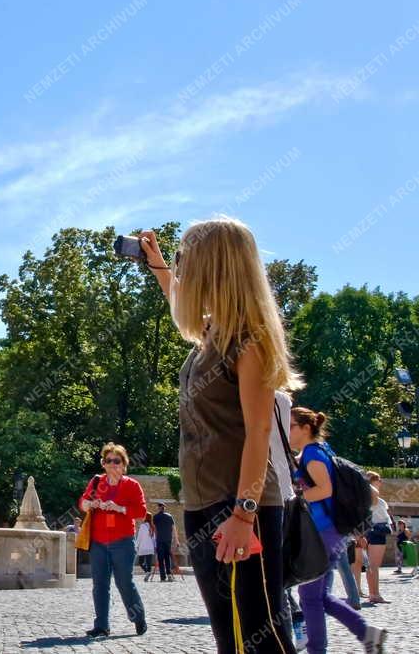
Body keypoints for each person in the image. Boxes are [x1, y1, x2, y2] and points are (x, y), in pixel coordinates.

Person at [141, 219, 296, 653]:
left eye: (186, 257)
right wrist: (155, 265)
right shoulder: (210, 336)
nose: (181, 265)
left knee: (263, 638)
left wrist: (245, 515)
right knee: (230, 637)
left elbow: (259, 431)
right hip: (205, 503)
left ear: (215, 267)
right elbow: (179, 305)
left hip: (239, 507)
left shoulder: (250, 340)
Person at [288, 407, 387, 653]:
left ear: (306, 428)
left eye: (291, 426)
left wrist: (296, 497)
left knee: (310, 597)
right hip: (333, 533)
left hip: (323, 532)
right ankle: (368, 634)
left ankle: (318, 650)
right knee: (321, 596)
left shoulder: (312, 454)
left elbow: (325, 489)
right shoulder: (320, 450)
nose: (287, 431)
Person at [78, 442, 148, 638]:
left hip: (123, 541)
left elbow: (141, 512)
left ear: (124, 464)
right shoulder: (97, 483)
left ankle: (138, 617)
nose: (112, 464)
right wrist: (92, 503)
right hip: (98, 541)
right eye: (108, 460)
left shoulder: (132, 485)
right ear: (104, 463)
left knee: (124, 581)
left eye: (117, 461)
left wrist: (119, 508)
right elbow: (82, 503)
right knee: (100, 584)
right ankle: (101, 625)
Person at [364, 472, 392, 604]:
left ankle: (373, 593)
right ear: (373, 482)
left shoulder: (366, 497)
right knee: (374, 566)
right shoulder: (373, 497)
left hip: (370, 530)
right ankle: (376, 595)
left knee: (371, 565)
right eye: (378, 479)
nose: (381, 482)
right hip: (377, 530)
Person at [152, 503, 175, 582]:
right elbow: (173, 528)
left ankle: (162, 577)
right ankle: (169, 574)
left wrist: (155, 540)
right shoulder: (169, 516)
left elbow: (155, 530)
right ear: (164, 508)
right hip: (168, 540)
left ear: (158, 508)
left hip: (160, 540)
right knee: (167, 557)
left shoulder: (155, 517)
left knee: (160, 558)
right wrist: (173, 539)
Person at [134, 514, 155, 579]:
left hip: (143, 547)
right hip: (150, 547)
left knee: (141, 562)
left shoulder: (143, 526)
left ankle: (147, 572)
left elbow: (139, 536)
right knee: (149, 563)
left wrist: (136, 545)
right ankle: (148, 572)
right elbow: (154, 538)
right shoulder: (152, 527)